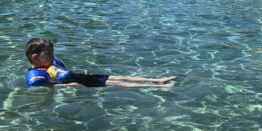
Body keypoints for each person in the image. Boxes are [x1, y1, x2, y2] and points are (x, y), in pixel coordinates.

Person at [24, 38, 175, 88]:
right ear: (36, 58)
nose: (53, 56)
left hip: (80, 78)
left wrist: (80, 71)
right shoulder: (35, 76)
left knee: (118, 77)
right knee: (119, 83)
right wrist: (72, 85)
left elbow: (62, 73)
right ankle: (158, 86)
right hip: (80, 83)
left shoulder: (53, 63)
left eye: (52, 52)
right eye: (49, 53)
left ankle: (158, 80)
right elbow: (49, 88)